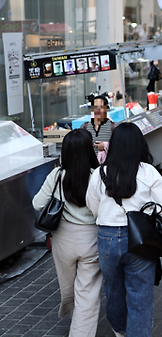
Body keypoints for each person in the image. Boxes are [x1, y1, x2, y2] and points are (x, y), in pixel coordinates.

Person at [86, 123, 162, 337]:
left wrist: (107, 216)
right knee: (140, 297)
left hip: (107, 236)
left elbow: (93, 206)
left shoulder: (100, 173)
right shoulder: (148, 171)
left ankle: (120, 331)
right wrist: (148, 216)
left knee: (114, 291)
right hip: (139, 239)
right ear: (139, 145)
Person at [33, 130, 102, 337]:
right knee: (87, 291)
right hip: (91, 239)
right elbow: (102, 210)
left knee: (67, 285)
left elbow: (37, 203)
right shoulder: (96, 176)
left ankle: (71, 312)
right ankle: (81, 329)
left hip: (63, 239)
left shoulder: (57, 175)